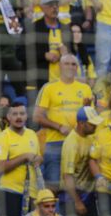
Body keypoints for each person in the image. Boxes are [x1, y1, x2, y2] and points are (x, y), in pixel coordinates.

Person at [34, 54, 93, 189]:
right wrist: (59, 127)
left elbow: (91, 120)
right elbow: (37, 117)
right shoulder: (48, 88)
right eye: (67, 63)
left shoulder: (85, 89)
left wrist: (87, 109)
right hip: (55, 143)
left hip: (79, 143)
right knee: (53, 187)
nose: (70, 67)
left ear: (77, 68)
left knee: (78, 187)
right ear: (60, 66)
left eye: (74, 64)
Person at [0, 102, 41, 216]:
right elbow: (0, 167)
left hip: (31, 193)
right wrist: (24, 157)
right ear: (8, 117)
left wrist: (38, 159)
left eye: (22, 113)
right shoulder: (3, 137)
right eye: (15, 114)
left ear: (26, 116)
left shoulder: (32, 134)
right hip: (10, 192)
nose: (19, 117)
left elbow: (38, 156)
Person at [61, 106, 102, 216]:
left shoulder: (90, 136)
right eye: (92, 124)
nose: (95, 126)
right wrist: (77, 202)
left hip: (88, 195)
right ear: (81, 123)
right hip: (72, 199)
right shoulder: (71, 144)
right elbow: (67, 176)